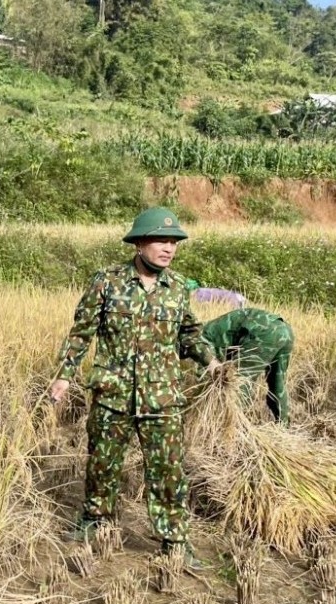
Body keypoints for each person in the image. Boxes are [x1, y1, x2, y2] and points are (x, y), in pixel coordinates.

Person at [47, 208, 220, 568]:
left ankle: (174, 541)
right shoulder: (106, 282)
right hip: (114, 394)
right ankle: (95, 523)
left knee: (168, 471)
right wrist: (64, 374)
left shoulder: (178, 289)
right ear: (140, 243)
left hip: (161, 398)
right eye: (161, 240)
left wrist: (212, 362)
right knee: (102, 464)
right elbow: (82, 332)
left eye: (174, 242)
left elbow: (189, 335)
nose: (169, 248)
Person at [201, 308, 293, 427]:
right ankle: (283, 426)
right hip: (285, 330)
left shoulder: (202, 338)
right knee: (278, 383)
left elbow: (212, 368)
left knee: (239, 382)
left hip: (262, 331)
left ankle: (235, 429)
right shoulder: (211, 328)